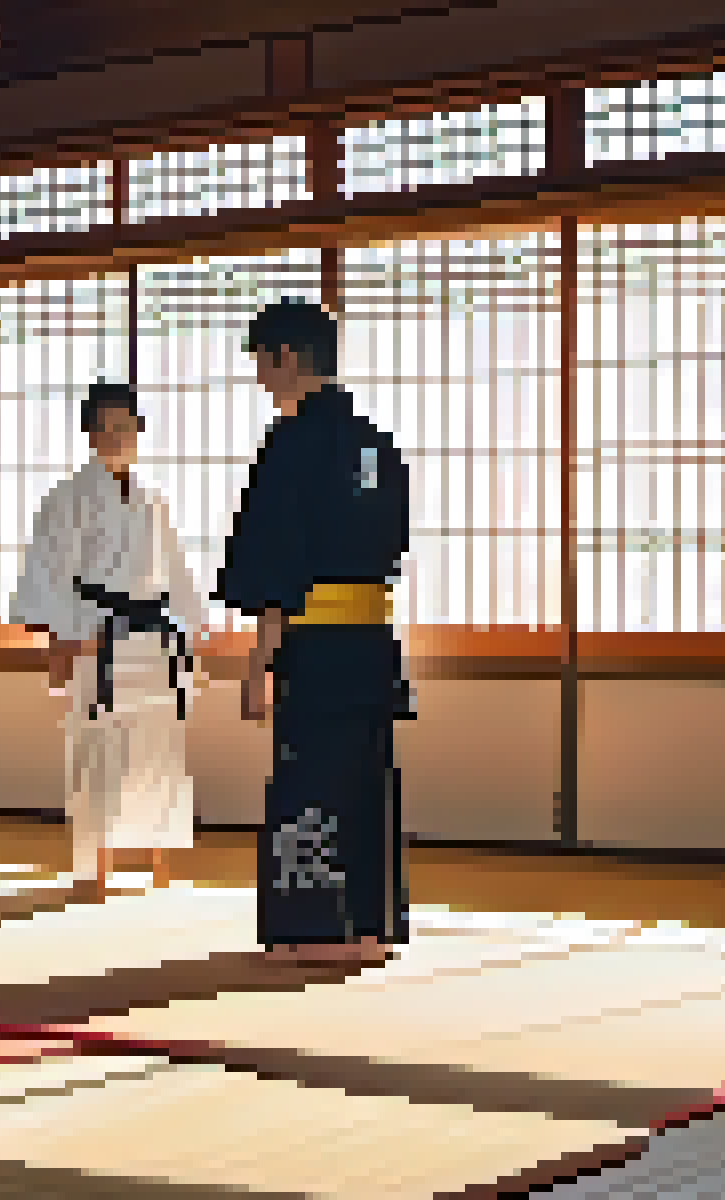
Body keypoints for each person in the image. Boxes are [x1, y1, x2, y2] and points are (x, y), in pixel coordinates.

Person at [216, 298, 412, 969]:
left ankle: (311, 930)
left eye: (263, 365)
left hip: (317, 643)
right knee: (366, 777)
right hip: (372, 642)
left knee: (309, 779)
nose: (263, 381)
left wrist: (257, 664)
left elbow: (277, 568)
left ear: (288, 358)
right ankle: (370, 926)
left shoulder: (292, 443)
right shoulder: (376, 446)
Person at [12, 382, 206, 902]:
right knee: (97, 751)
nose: (115, 436)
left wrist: (189, 633)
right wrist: (64, 639)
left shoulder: (153, 502)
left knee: (159, 750)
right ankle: (95, 867)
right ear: (90, 433)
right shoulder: (68, 499)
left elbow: (177, 576)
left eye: (124, 427)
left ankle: (156, 859)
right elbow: (51, 573)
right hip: (96, 632)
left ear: (138, 433)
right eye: (105, 427)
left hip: (151, 637)